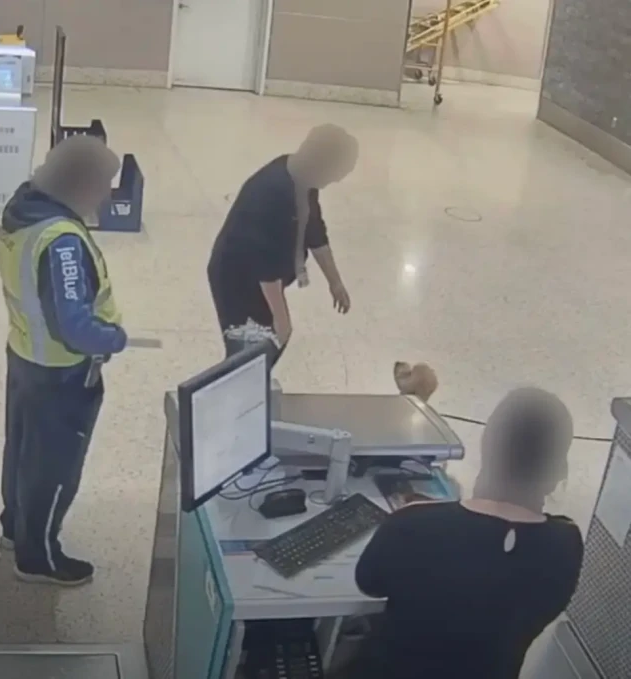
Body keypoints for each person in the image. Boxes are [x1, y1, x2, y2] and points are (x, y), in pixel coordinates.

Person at [337, 387, 584, 679]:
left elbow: (369, 583)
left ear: (488, 446)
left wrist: (427, 515)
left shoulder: (411, 526)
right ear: (557, 469)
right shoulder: (566, 546)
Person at [0, 134, 127, 586]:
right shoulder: (63, 241)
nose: (110, 193)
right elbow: (73, 325)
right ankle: (39, 558)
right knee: (53, 467)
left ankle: (15, 528)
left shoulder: (22, 207)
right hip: (62, 373)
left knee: (22, 451)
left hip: (24, 354)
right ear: (80, 184)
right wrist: (113, 338)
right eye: (105, 183)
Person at [207, 124, 358, 362]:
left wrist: (335, 282)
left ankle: (245, 388)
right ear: (321, 163)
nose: (334, 181)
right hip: (237, 279)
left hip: (260, 275)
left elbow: (314, 230)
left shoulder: (302, 177)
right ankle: (232, 393)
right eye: (335, 174)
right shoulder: (274, 192)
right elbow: (265, 263)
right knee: (250, 353)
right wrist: (280, 316)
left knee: (264, 349)